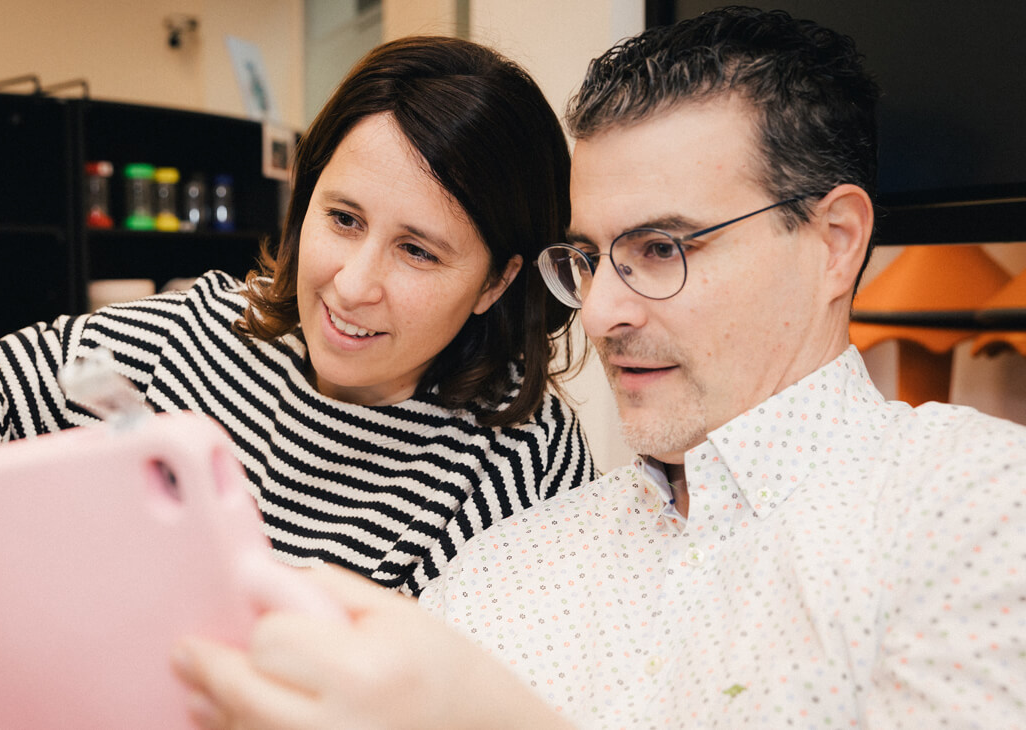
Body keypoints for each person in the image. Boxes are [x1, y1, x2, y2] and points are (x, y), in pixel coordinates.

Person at [170, 7, 1026, 728]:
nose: (602, 310)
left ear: (834, 244)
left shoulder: (975, 511)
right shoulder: (506, 565)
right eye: (588, 257)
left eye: (660, 248)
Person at [0, 35, 597, 596]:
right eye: (344, 219)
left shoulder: (517, 460)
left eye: (418, 252)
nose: (353, 285)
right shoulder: (200, 337)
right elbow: (2, 377)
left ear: (497, 281)